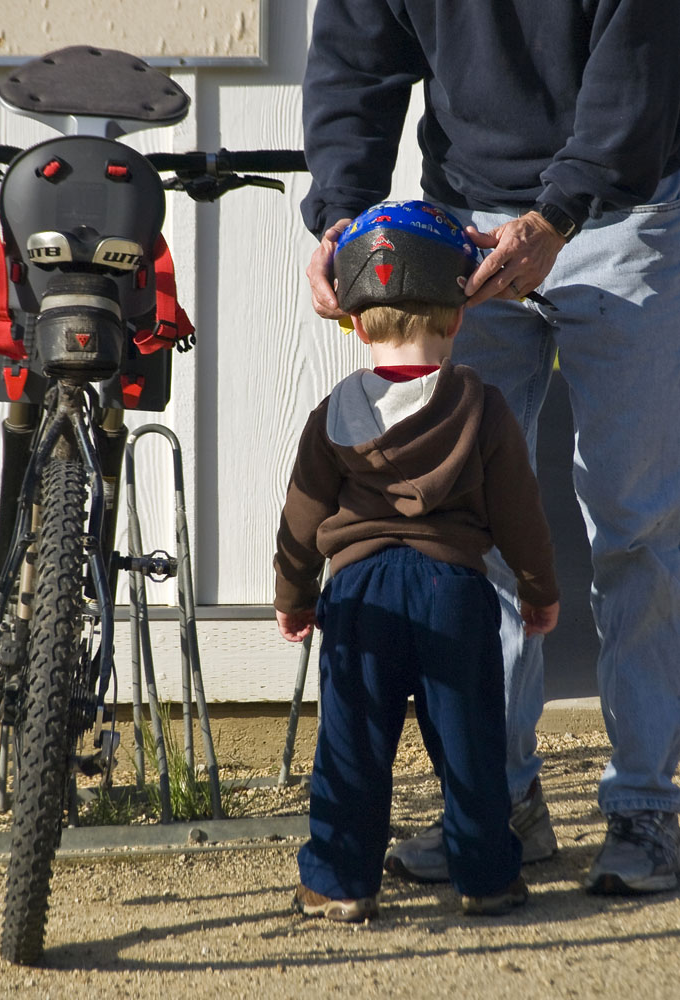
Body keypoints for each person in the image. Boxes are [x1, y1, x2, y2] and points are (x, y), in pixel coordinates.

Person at [300, 0, 680, 896]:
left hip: (625, 216)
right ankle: (501, 804)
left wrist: (554, 219)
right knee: (468, 531)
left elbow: (635, 86)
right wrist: (340, 222)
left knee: (636, 524)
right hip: (460, 226)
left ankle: (645, 807)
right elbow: (356, 68)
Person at [274, 200, 560, 921]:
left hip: (360, 594)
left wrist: (294, 593)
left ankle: (339, 883)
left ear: (358, 321)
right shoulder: (481, 404)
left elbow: (302, 517)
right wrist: (537, 589)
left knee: (353, 741)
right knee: (468, 740)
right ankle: (488, 877)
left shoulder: (334, 412)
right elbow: (520, 513)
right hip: (455, 591)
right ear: (458, 317)